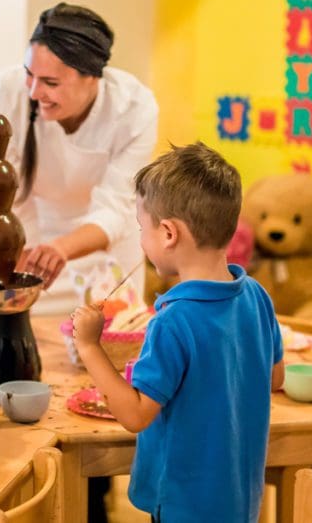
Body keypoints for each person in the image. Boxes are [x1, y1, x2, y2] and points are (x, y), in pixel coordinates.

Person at [72, 142, 285, 523]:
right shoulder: (256, 296)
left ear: (168, 233)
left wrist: (89, 347)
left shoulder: (173, 321)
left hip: (182, 507)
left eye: (142, 228)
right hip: (239, 500)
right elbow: (275, 377)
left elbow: (135, 416)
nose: (141, 240)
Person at [0, 2, 158, 314]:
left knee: (112, 341)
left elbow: (115, 207)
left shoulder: (133, 108)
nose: (34, 92)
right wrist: (26, 260)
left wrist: (61, 249)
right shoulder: (2, 97)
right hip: (33, 240)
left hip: (109, 247)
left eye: (50, 83)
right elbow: (10, 197)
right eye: (29, 75)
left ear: (93, 77)